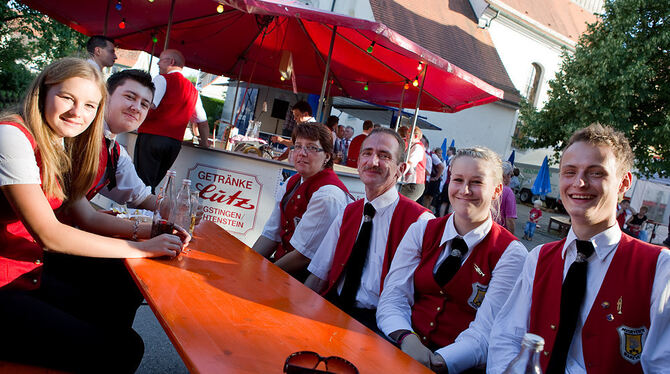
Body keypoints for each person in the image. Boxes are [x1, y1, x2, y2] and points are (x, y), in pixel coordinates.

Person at [0, 58, 189, 373]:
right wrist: (142, 245)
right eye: (68, 98)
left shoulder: (58, 143)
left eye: (89, 105)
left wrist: (150, 232)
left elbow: (86, 213)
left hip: (29, 271)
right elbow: (50, 233)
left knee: (119, 299)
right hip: (13, 280)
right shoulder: (12, 136)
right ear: (43, 92)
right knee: (122, 348)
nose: (78, 112)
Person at [488, 124, 670, 374]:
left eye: (596, 173)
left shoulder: (660, 268)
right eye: (569, 172)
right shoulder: (538, 258)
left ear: (624, 182)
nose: (579, 183)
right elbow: (506, 338)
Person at [377, 147, 527, 373]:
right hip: (400, 347)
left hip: (459, 367)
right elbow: (393, 295)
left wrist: (439, 361)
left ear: (497, 190)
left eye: (476, 182)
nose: (465, 190)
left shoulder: (511, 253)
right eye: (458, 179)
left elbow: (486, 332)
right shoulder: (422, 230)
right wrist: (407, 338)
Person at [305, 128, 433, 332]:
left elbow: (424, 298)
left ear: (400, 169)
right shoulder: (349, 212)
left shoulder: (421, 221)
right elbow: (319, 275)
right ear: (358, 162)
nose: (373, 162)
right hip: (332, 309)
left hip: (380, 326)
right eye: (367, 153)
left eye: (384, 156)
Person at [253, 123, 352, 281]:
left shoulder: (328, 195)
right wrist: (248, 266)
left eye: (312, 148)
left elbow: (303, 256)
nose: (302, 153)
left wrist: (262, 275)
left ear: (327, 156)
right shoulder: (292, 181)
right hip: (282, 270)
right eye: (298, 146)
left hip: (306, 281)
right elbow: (271, 234)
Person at [134, 49, 209, 193]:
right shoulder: (193, 89)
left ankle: (137, 214)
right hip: (173, 144)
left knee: (142, 184)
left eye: (161, 59)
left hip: (152, 137)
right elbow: (203, 121)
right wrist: (205, 144)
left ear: (171, 62)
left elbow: (150, 105)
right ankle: (147, 212)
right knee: (152, 183)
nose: (157, 63)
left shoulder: (161, 79)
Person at [86, 69, 156, 209]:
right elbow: (83, 215)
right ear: (105, 96)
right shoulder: (79, 134)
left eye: (144, 104)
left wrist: (180, 207)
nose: (136, 108)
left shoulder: (115, 152)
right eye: (130, 97)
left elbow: (142, 197)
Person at [399, 126, 426, 201]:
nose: (406, 136)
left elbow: (409, 163)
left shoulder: (417, 147)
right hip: (409, 183)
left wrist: (398, 175)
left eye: (408, 134)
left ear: (416, 136)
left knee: (401, 205)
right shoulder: (412, 146)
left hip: (413, 185)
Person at [495, 161, 517, 234]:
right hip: (499, 233)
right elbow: (510, 219)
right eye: (510, 175)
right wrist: (512, 238)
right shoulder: (508, 192)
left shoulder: (489, 187)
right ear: (506, 176)